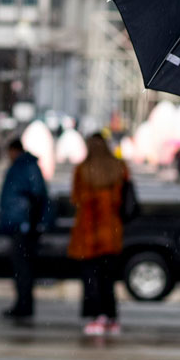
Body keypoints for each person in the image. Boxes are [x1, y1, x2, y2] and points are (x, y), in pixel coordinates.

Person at [68, 133, 129, 336]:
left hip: (88, 232)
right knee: (108, 278)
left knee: (91, 277)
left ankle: (95, 316)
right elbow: (122, 200)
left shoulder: (82, 170)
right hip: (111, 233)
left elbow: (76, 198)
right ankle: (110, 317)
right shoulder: (118, 168)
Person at [0, 137, 50, 319]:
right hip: (21, 224)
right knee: (21, 268)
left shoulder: (24, 167)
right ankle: (23, 304)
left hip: (23, 226)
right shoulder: (25, 167)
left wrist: (31, 223)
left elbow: (37, 196)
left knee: (23, 268)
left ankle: (24, 305)